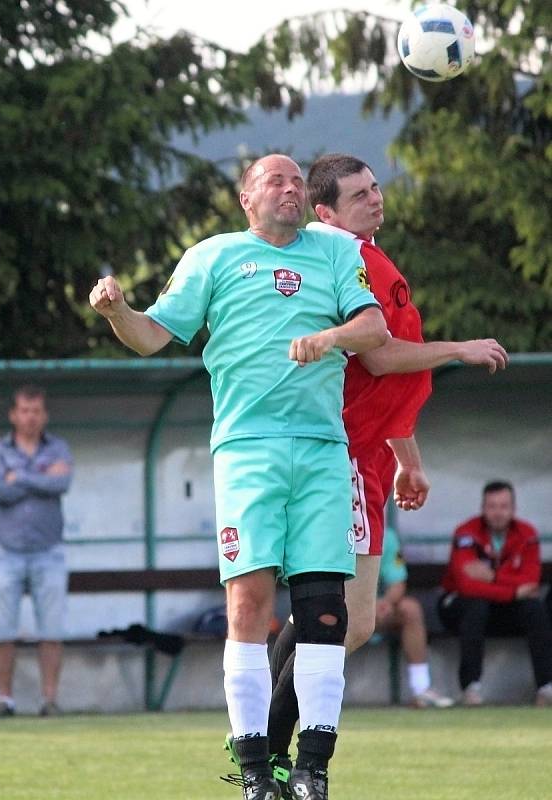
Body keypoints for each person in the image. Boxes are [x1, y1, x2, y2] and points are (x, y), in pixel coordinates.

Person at [90, 153, 388, 800]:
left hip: (320, 451)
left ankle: (312, 768)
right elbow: (150, 336)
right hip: (248, 450)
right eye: (274, 179)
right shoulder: (213, 257)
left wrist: (330, 337)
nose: (289, 187)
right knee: (248, 606)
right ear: (246, 198)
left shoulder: (335, 254)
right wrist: (116, 310)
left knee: (325, 613)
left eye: (295, 179)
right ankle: (255, 772)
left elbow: (374, 327)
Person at [267, 154, 508, 765]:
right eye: (359, 196)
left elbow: (382, 387)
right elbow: (378, 358)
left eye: (376, 188)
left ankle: (264, 743)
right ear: (326, 213)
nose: (376, 199)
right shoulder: (342, 259)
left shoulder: (365, 254)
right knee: (344, 622)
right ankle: (266, 749)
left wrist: (409, 458)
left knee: (345, 621)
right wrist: (457, 348)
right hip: (342, 454)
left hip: (371, 454)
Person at [0, 385, 73, 716]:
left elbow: (62, 483)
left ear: (44, 415)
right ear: (13, 414)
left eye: (36, 411)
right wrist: (39, 476)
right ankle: (4, 700)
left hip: (49, 552)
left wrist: (18, 477)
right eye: (24, 410)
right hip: (5, 552)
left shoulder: (59, 447)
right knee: (2, 631)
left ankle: (49, 700)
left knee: (51, 631)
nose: (30, 417)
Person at [438, 480, 552, 706]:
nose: (498, 513)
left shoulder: (527, 533)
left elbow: (530, 582)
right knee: (475, 605)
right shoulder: (465, 532)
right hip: (461, 609)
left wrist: (493, 577)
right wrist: (512, 591)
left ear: (513, 509)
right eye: (492, 506)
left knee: (534, 608)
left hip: (503, 610)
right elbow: (466, 584)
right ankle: (471, 688)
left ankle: (546, 687)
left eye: (503, 506)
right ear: (483, 508)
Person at [373, 526, 453, 707]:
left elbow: (397, 582)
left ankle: (421, 689)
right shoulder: (330, 527)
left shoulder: (386, 536)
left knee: (410, 609)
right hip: (340, 608)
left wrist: (384, 602)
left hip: (375, 610)